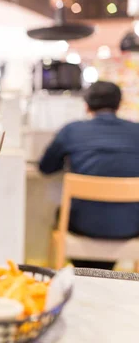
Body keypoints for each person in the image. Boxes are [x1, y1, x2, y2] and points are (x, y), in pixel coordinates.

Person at [39, 81, 139, 270]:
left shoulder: (72, 130)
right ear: (120, 104)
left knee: (67, 214)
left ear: (86, 105)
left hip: (83, 225)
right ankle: (100, 274)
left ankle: (84, 276)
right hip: (130, 226)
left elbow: (46, 168)